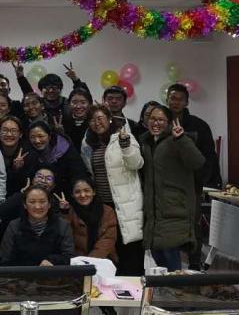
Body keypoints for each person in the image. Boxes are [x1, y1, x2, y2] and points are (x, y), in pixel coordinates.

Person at [81, 104, 144, 275]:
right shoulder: (87, 143)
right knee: (110, 249)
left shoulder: (123, 137)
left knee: (130, 248)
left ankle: (134, 287)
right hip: (104, 205)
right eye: (92, 120)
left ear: (109, 119)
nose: (96, 123)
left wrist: (126, 145)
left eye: (100, 118)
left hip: (126, 203)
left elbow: (137, 163)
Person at [141, 105, 205, 271]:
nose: (156, 123)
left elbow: (197, 162)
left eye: (161, 120)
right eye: (152, 119)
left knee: (171, 263)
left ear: (169, 123)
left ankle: (175, 287)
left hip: (174, 210)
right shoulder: (146, 142)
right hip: (154, 210)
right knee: (158, 261)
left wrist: (181, 139)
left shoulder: (178, 140)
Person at [166, 83, 220, 269]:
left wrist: (201, 180)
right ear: (167, 100)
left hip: (191, 185)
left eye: (180, 99)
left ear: (187, 102)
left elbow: (209, 156)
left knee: (192, 225)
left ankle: (195, 264)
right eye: (172, 98)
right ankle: (172, 265)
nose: (175, 102)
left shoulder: (199, 125)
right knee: (170, 224)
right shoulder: (161, 122)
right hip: (168, 184)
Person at [0, 185, 76, 267]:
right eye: (32, 202)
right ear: (25, 205)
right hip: (21, 274)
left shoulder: (63, 225)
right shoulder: (14, 226)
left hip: (54, 273)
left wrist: (53, 260)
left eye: (42, 202)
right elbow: (5, 259)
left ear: (49, 204)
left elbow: (69, 257)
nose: (37, 206)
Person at [0, 166, 60, 239]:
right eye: (39, 176)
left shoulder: (56, 204)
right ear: (33, 180)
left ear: (53, 185)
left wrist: (64, 211)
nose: (43, 180)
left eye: (49, 178)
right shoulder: (20, 197)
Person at [66, 177, 119, 261]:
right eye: (77, 192)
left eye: (86, 190)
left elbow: (108, 239)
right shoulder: (70, 212)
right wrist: (64, 212)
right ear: (72, 194)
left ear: (93, 192)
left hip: (104, 258)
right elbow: (66, 239)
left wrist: (91, 260)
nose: (83, 195)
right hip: (78, 260)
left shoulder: (107, 211)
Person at [27, 120, 86, 189]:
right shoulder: (28, 152)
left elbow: (79, 176)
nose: (37, 141)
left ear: (49, 136)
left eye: (41, 136)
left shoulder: (65, 149)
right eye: (32, 137)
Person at [0, 116, 34, 195]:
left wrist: (17, 170)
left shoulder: (28, 154)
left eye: (14, 131)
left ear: (20, 134)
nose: (9, 134)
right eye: (5, 130)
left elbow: (27, 183)